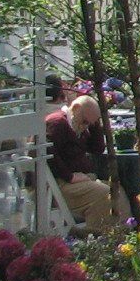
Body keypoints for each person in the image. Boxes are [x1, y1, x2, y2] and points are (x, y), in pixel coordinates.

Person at [45, 94, 115, 231]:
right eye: (84, 121)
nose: (85, 126)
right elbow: (47, 153)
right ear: (75, 108)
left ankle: (116, 236)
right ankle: (96, 238)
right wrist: (69, 177)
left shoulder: (77, 126)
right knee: (104, 193)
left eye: (88, 123)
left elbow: (98, 148)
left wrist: (94, 125)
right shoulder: (57, 123)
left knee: (118, 192)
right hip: (57, 183)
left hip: (77, 180)